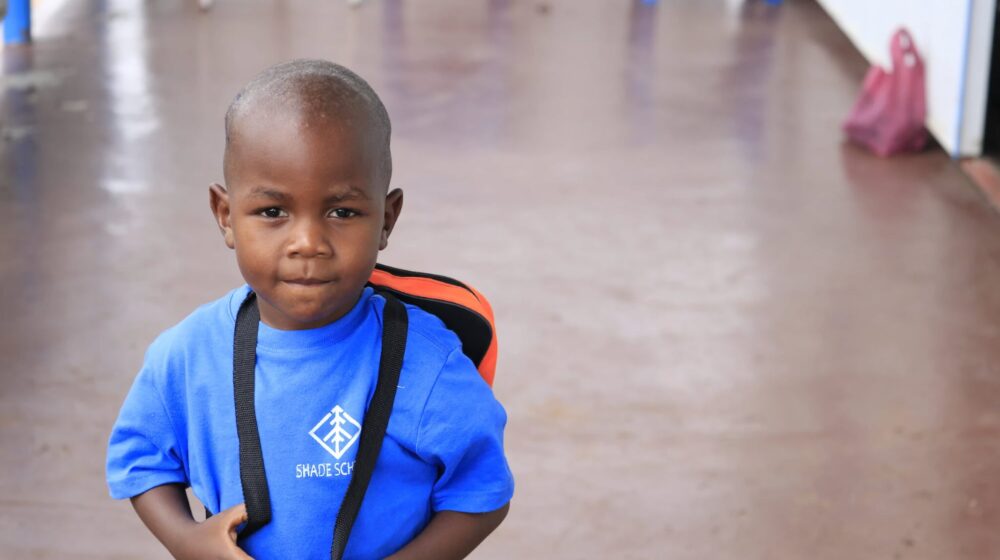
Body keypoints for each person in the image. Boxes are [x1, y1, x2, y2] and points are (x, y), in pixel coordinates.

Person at [106, 59, 514, 560]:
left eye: (342, 212)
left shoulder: (426, 362)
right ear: (225, 215)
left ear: (386, 220)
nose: (307, 242)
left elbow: (482, 492)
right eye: (272, 211)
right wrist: (184, 539)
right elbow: (142, 458)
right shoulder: (187, 355)